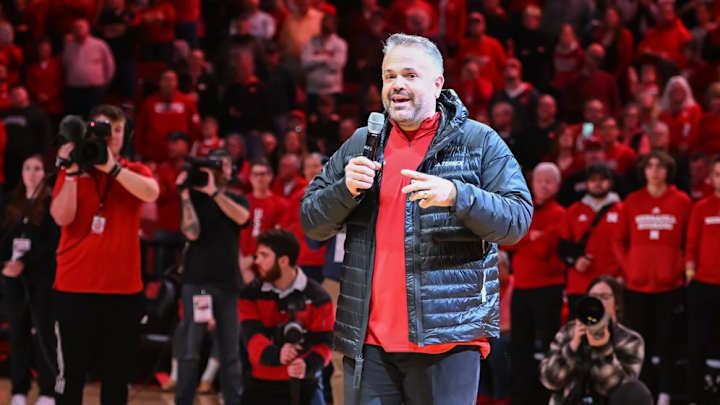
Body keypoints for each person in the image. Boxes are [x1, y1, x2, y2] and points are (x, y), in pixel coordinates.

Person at [301, 33, 532, 405]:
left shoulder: (479, 142)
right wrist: (344, 190)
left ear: (437, 84)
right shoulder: (362, 143)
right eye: (389, 76)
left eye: (409, 75)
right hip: (369, 345)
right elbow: (312, 222)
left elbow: (517, 219)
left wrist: (458, 196)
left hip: (448, 342)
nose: (397, 85)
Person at [50, 105, 159, 404]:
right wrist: (72, 172)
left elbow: (151, 192)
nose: (110, 136)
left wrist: (113, 169)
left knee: (116, 377)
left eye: (117, 129)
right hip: (74, 287)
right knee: (70, 376)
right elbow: (61, 217)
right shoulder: (73, 168)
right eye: (103, 129)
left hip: (122, 291)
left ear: (126, 135)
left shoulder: (134, 171)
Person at [614, 151, 691, 405]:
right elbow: (618, 240)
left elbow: (689, 240)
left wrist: (680, 267)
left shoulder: (682, 201)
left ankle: (665, 394)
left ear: (668, 171)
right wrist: (629, 268)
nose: (655, 171)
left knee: (668, 344)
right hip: (637, 286)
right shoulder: (632, 201)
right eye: (650, 166)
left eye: (660, 166)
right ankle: (643, 394)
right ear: (644, 171)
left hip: (670, 285)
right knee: (639, 344)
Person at [174, 148, 249, 405]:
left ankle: (233, 401)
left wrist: (214, 192)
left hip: (228, 285)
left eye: (226, 164)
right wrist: (185, 194)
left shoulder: (236, 199)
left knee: (230, 353)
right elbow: (191, 232)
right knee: (190, 351)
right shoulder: (193, 198)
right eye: (218, 164)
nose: (223, 169)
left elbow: (243, 218)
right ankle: (183, 400)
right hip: (197, 283)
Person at [238, 229, 334, 405]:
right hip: (262, 382)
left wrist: (307, 366)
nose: (256, 261)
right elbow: (252, 339)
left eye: (264, 255)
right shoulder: (249, 294)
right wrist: (278, 355)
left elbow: (325, 344)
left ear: (283, 261)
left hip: (305, 381)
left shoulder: (318, 297)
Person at [502, 162, 565, 405]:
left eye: (549, 181)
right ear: (532, 184)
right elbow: (507, 241)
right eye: (540, 180)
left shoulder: (561, 213)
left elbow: (543, 249)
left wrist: (525, 237)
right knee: (520, 348)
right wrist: (533, 236)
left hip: (548, 287)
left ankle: (550, 396)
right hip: (522, 288)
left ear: (558, 185)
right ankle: (521, 398)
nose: (544, 185)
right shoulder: (524, 209)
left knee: (550, 345)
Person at [1, 155, 59, 405]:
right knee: (18, 335)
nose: (32, 173)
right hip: (13, 280)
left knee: (44, 335)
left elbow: (52, 243)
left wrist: (26, 262)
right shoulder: (10, 204)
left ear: (44, 173)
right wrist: (5, 264)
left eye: (37, 168)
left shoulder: (51, 204)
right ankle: (19, 391)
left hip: (42, 279)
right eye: (27, 168)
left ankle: (47, 392)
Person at [539, 276, 652, 405]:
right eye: (593, 296)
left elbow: (621, 390)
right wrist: (573, 346)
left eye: (604, 297)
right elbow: (549, 381)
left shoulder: (630, 339)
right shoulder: (569, 331)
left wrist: (602, 349)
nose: (597, 301)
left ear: (617, 304)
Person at [559, 164, 623, 317]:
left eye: (602, 180)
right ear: (586, 183)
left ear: (610, 183)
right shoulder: (573, 210)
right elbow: (562, 246)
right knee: (580, 328)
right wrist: (575, 260)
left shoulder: (623, 210)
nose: (598, 183)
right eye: (593, 180)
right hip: (580, 284)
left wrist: (624, 274)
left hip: (612, 283)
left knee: (611, 328)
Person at [684, 156, 720, 405]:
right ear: (711, 178)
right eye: (718, 174)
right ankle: (695, 397)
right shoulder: (701, 207)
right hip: (703, 285)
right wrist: (690, 274)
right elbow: (691, 244)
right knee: (697, 344)